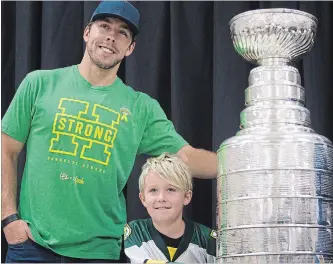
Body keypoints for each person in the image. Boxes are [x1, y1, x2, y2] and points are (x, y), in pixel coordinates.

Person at [1, 1, 217, 263]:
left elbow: (186, 158)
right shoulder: (39, 84)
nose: (111, 37)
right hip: (32, 247)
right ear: (87, 32)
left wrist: (246, 163)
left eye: (123, 33)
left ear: (130, 48)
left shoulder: (141, 108)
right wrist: (8, 219)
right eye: (104, 26)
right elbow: (6, 149)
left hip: (99, 252)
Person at [124, 153, 216, 263]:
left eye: (171, 190)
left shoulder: (208, 239)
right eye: (153, 190)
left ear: (186, 196)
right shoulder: (135, 231)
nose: (161, 198)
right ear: (143, 198)